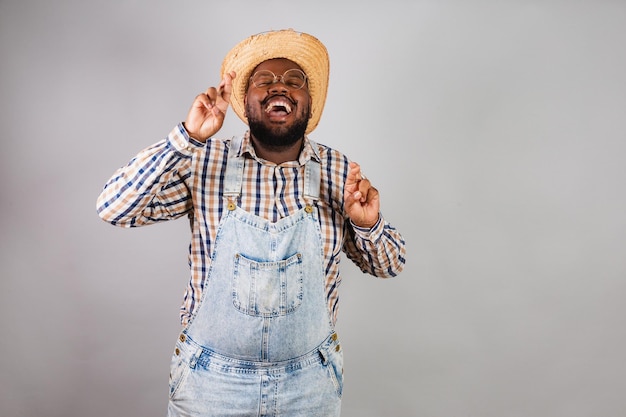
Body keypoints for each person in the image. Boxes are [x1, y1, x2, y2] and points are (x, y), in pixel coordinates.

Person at [96, 29, 406, 417]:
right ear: (246, 100)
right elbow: (114, 207)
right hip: (210, 385)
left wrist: (368, 224)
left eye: (295, 81)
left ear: (309, 103)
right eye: (266, 80)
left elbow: (390, 265)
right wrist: (187, 138)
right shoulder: (205, 161)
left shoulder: (338, 171)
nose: (281, 88)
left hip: (309, 388)